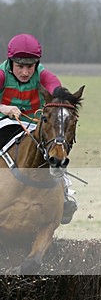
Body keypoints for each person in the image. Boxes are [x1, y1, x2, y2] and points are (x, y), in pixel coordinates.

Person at [0, 33, 78, 224]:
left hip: (35, 126)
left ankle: (65, 194)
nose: (25, 72)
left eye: (30, 66)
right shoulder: (1, 75)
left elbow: (57, 94)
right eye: (20, 66)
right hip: (3, 122)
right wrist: (4, 108)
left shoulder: (45, 76)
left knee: (55, 148)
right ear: (11, 63)